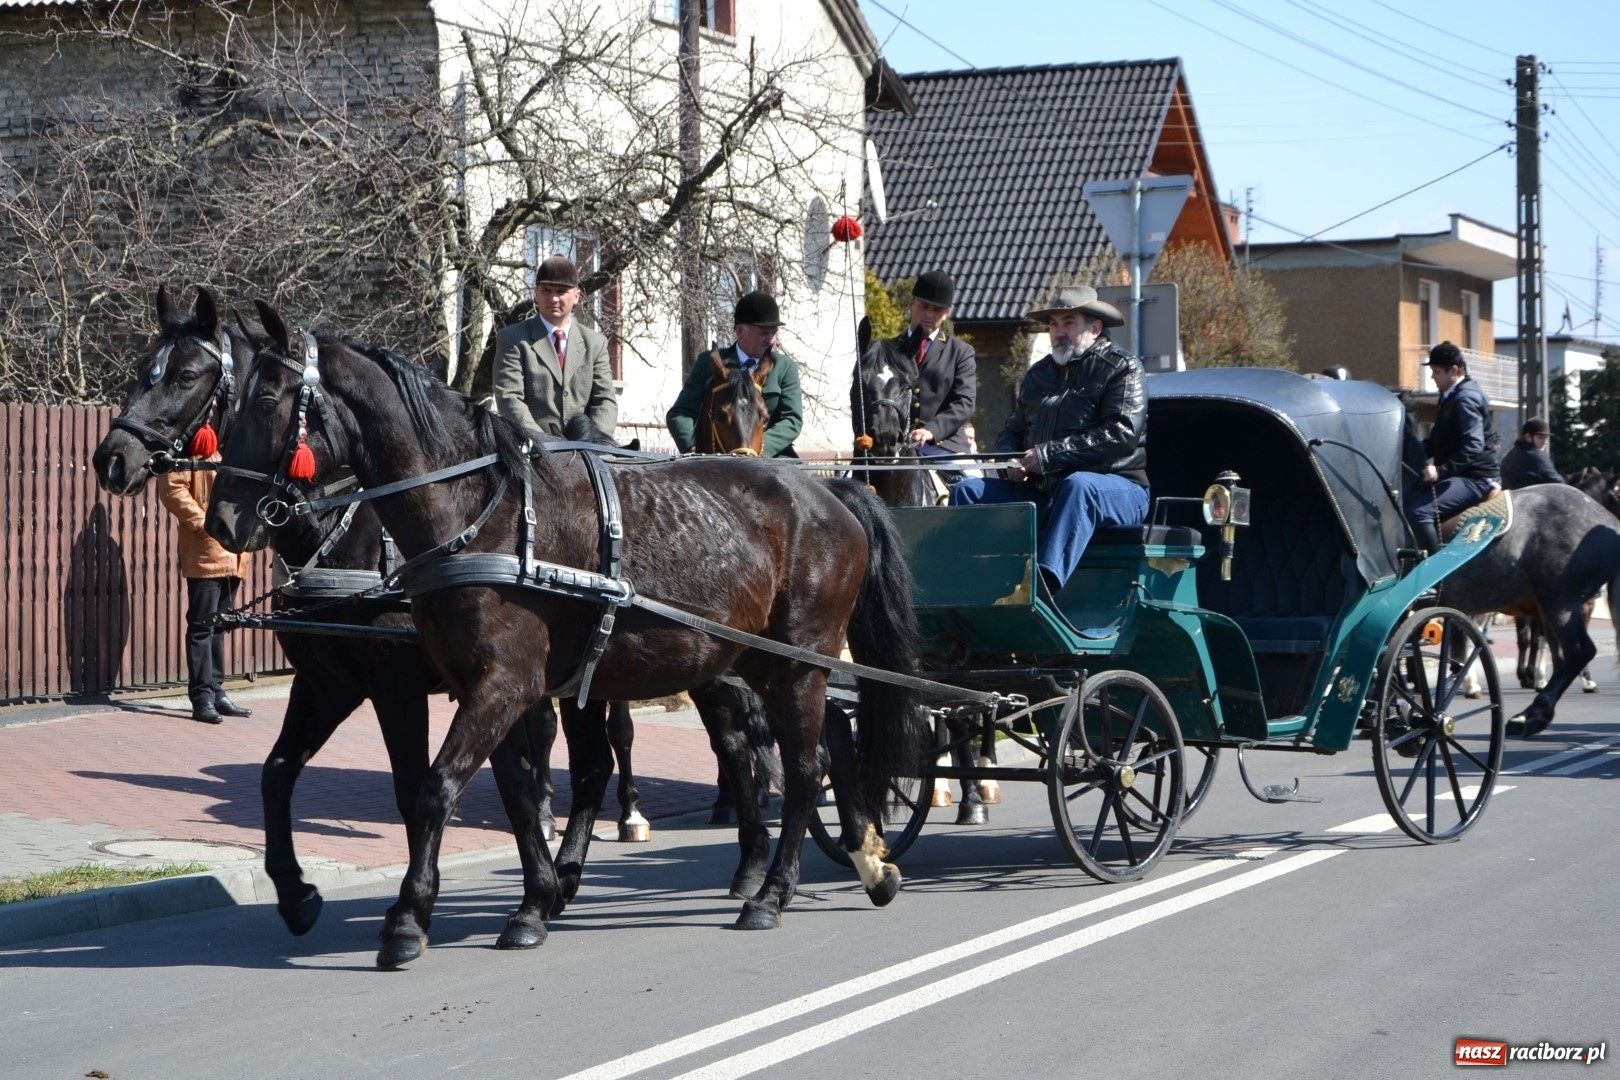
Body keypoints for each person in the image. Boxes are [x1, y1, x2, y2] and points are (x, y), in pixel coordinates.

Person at [948, 285, 1149, 593]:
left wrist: (1048, 456)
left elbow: (1121, 433)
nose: (1058, 332)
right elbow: (1011, 432)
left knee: (1079, 486)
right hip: (1046, 491)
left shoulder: (1122, 367)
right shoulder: (1037, 375)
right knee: (968, 491)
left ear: (1095, 328)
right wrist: (1010, 462)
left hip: (1118, 487)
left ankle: (1041, 592)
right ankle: (966, 587)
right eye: (1054, 324)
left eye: (1069, 323)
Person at [159, 456, 253, 724]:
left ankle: (216, 690)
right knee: (202, 625)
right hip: (207, 550)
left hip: (236, 549)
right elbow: (172, 488)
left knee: (220, 625)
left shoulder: (234, 442)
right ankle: (202, 697)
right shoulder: (194, 449)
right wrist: (204, 525)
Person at [852, 269, 976, 461]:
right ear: (911, 304)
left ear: (946, 314)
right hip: (893, 442)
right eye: (924, 307)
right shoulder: (886, 350)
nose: (929, 314)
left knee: (972, 486)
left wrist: (932, 430)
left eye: (937, 310)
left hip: (944, 446)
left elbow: (964, 403)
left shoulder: (960, 352)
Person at [493, 255, 618, 438]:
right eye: (546, 290)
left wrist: (593, 441)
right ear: (536, 293)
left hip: (588, 450)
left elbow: (605, 401)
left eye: (561, 291)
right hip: (534, 451)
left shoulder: (595, 343)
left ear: (576, 296)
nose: (553, 298)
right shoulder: (513, 339)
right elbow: (509, 399)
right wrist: (546, 445)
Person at [667, 290, 803, 458]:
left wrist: (754, 449)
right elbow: (680, 413)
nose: (771, 340)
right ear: (740, 332)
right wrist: (692, 446)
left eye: (774, 333)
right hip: (716, 463)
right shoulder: (708, 364)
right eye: (763, 333)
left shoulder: (785, 367)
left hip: (773, 461)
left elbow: (791, 421)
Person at [1406, 341, 1501, 554]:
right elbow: (1437, 440)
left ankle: (1434, 578)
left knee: (1419, 512)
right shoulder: (1450, 396)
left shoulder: (1465, 399)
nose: (1432, 377)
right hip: (1463, 473)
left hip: (1476, 478)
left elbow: (1474, 445)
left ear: (1454, 371)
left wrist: (1441, 471)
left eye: (1437, 372)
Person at [1500, 415, 1563, 490]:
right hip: (1530, 500)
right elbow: (1560, 486)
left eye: (1546, 438)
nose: (1544, 442)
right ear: (1528, 437)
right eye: (1540, 437)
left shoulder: (1509, 456)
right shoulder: (1537, 457)